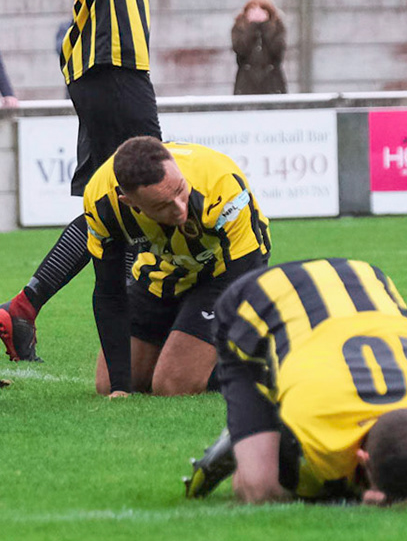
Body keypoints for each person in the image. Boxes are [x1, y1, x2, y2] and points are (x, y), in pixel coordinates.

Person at [0, 0, 163, 363]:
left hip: (114, 74)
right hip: (110, 68)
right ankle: (134, 339)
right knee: (142, 193)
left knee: (106, 202)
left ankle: (25, 305)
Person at [185, 258, 407, 506]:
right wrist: (362, 498)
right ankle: (244, 438)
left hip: (365, 280)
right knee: (263, 488)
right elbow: (315, 486)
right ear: (360, 456)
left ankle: (252, 439)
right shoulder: (318, 421)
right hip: (259, 300)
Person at [83, 136, 269, 397]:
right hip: (163, 269)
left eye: (180, 191)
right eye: (162, 206)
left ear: (175, 167)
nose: (180, 210)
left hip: (222, 272)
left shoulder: (219, 184)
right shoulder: (103, 202)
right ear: (130, 203)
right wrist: (120, 387)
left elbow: (245, 276)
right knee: (107, 384)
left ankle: (265, 364)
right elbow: (109, 292)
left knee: (172, 385)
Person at [231, 0, 287, 95]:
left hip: (273, 85)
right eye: (252, 9)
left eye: (262, 9)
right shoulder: (239, 27)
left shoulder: (277, 27)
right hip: (246, 85)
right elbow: (240, 49)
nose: (257, 13)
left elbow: (277, 51)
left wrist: (265, 26)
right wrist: (252, 27)